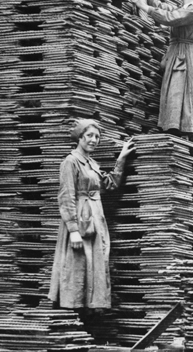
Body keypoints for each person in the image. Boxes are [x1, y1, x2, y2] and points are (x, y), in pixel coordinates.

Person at [49, 119, 134, 310]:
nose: (94, 140)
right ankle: (72, 310)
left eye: (97, 136)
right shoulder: (70, 162)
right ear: (79, 137)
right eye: (89, 136)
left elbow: (109, 184)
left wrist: (121, 159)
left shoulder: (92, 163)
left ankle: (88, 311)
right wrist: (73, 230)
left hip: (96, 219)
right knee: (77, 264)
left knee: (94, 264)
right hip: (80, 220)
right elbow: (66, 196)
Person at [131, 0, 193, 141]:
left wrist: (144, 7)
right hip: (176, 54)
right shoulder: (182, 8)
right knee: (174, 92)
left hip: (188, 56)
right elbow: (159, 6)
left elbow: (169, 18)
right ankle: (173, 130)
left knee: (185, 93)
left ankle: (189, 134)